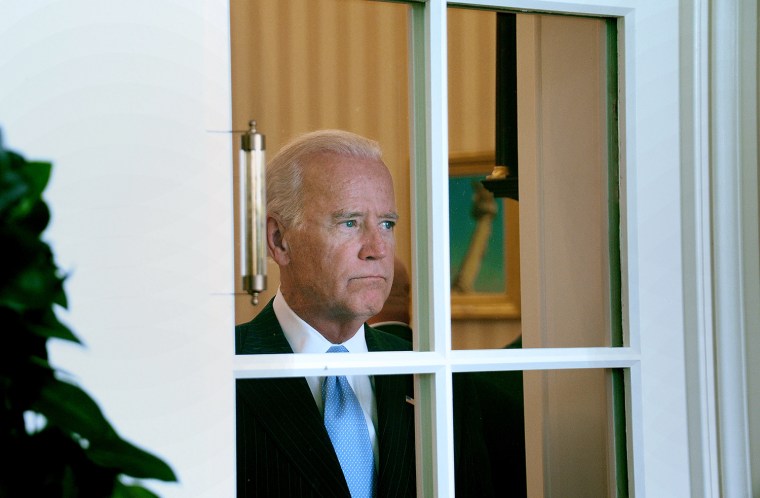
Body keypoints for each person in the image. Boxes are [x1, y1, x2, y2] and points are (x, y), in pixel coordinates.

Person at [235, 130, 416, 497]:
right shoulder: (221, 368)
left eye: (387, 224)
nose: (377, 249)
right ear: (279, 240)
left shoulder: (428, 373)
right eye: (349, 223)